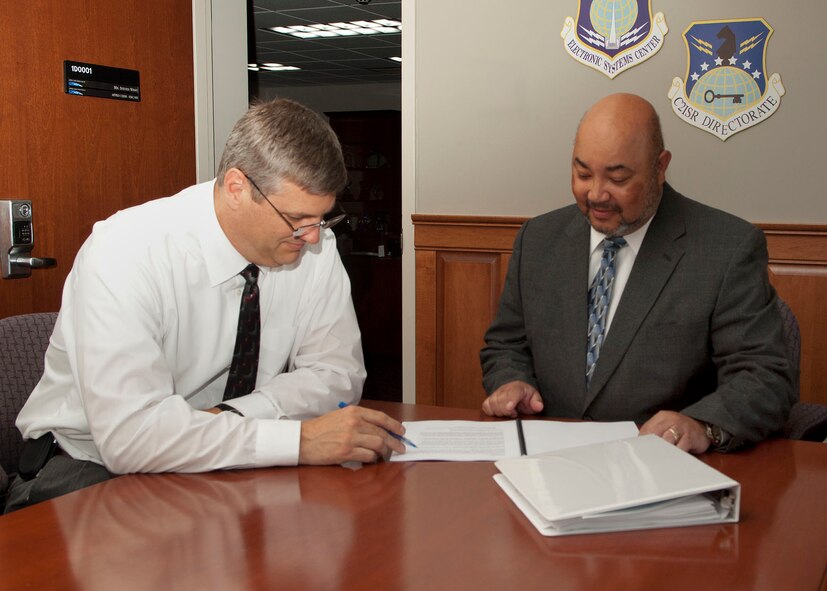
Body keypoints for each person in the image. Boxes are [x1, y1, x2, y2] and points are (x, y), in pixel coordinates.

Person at [6, 98, 406, 513]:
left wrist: (233, 416)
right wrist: (298, 440)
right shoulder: (125, 251)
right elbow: (132, 439)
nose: (312, 237)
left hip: (227, 460)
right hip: (89, 469)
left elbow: (338, 373)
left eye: (323, 219)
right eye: (296, 219)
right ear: (237, 188)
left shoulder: (313, 245)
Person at [480, 93, 794, 454]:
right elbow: (507, 344)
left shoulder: (726, 249)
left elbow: (764, 376)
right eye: (582, 173)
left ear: (660, 168)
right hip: (549, 461)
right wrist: (511, 380)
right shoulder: (538, 239)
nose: (596, 194)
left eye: (618, 178)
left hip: (662, 467)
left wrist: (702, 425)